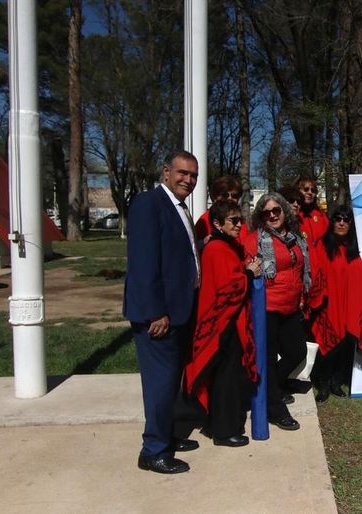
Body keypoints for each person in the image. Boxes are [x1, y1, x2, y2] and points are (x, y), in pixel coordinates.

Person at [123, 150, 201, 474]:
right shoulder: (148, 204)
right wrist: (156, 312)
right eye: (182, 173)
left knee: (170, 382)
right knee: (159, 384)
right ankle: (153, 450)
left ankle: (165, 434)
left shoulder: (179, 208)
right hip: (159, 316)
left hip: (179, 311)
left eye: (193, 176)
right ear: (166, 172)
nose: (188, 180)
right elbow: (143, 263)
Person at [184, 199, 262, 447]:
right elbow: (230, 288)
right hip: (222, 325)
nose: (240, 225)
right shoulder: (217, 249)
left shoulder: (228, 246)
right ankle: (224, 430)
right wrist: (249, 272)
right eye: (233, 221)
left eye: (241, 220)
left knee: (226, 377)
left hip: (228, 322)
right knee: (225, 378)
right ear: (217, 223)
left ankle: (219, 424)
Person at [243, 192, 311, 431]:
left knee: (296, 351)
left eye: (276, 210)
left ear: (284, 210)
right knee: (269, 359)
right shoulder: (254, 240)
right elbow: (245, 267)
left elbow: (301, 269)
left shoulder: (295, 238)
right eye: (266, 212)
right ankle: (275, 408)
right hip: (267, 308)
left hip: (291, 306)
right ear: (260, 216)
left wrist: (302, 296)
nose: (272, 215)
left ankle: (272, 388)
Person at [309, 205, 362, 402]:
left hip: (348, 307)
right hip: (328, 306)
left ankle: (336, 382)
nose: (342, 223)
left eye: (346, 220)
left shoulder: (354, 251)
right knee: (327, 348)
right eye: (338, 219)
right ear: (332, 222)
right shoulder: (322, 246)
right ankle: (323, 384)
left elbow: (358, 280)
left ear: (351, 225)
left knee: (345, 345)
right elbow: (316, 272)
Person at [194, 175, 243, 245]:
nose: (230, 199)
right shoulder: (204, 220)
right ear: (214, 197)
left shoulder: (241, 221)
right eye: (224, 195)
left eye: (234, 196)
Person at [296, 177, 328, 248]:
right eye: (306, 189)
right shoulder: (293, 216)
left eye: (313, 191)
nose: (310, 192)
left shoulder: (321, 216)